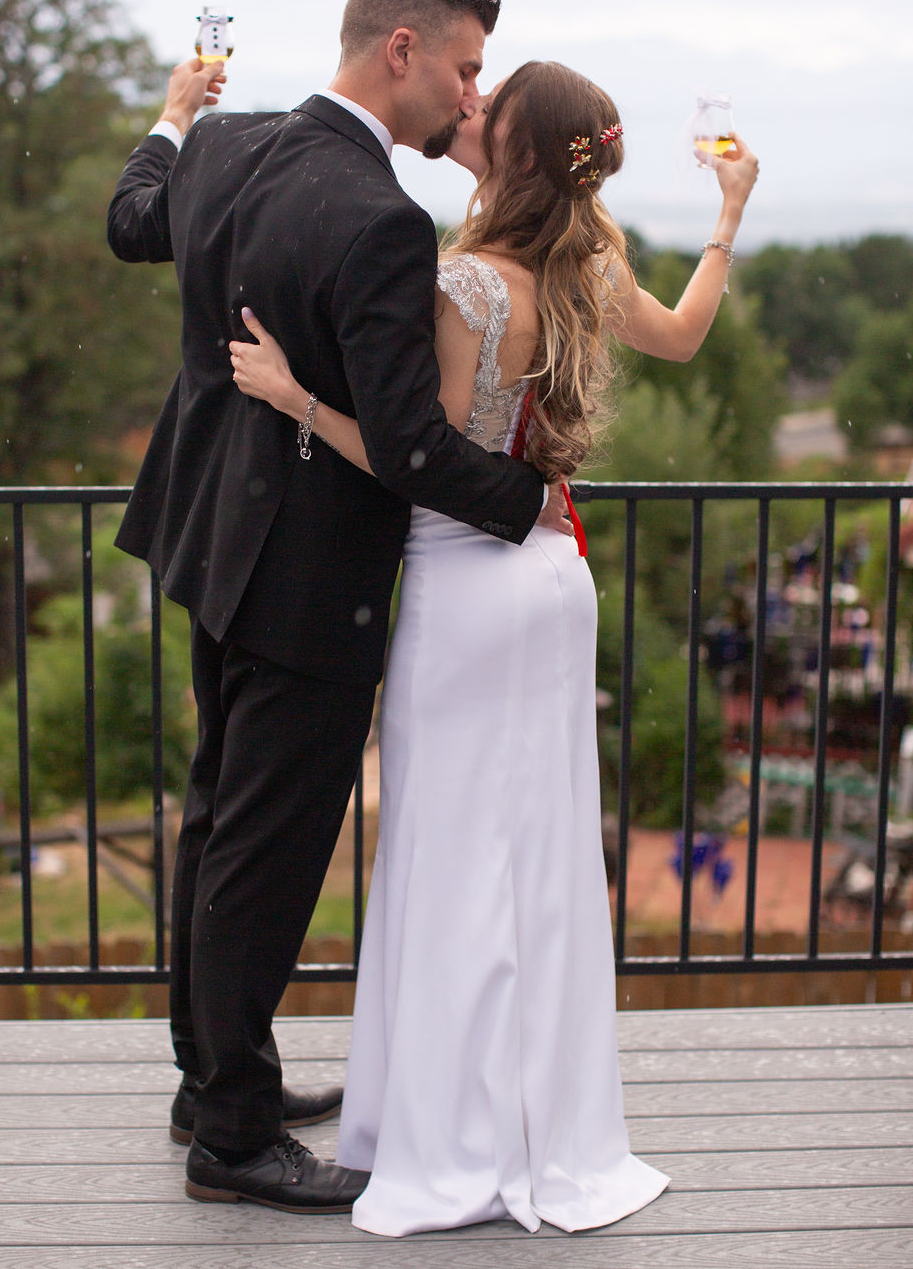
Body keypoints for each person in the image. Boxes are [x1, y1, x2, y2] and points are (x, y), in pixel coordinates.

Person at [228, 60, 759, 1235]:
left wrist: (289, 396)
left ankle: (452, 1133)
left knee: (451, 860)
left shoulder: (464, 281)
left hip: (467, 595)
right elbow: (677, 339)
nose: (465, 117)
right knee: (544, 864)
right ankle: (546, 1126)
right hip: (556, 582)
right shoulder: (587, 261)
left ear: (511, 154)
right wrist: (726, 219)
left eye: (484, 117)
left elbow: (415, 456)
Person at [105, 0, 574, 1215]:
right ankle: (235, 1142)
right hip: (308, 579)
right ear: (404, 50)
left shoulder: (224, 145)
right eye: (466, 69)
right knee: (261, 854)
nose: (469, 99)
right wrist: (532, 506)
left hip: (204, 542)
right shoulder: (379, 220)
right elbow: (415, 444)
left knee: (216, 822)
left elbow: (130, 217)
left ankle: (212, 1081)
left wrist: (167, 114)